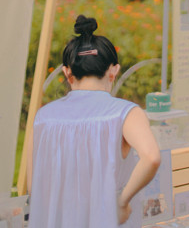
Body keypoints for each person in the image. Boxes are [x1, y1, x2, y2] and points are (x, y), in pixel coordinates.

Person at [27, 15, 161, 228]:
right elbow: (151, 157)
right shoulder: (125, 113)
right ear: (114, 70)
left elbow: (34, 187)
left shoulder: (43, 117)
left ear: (67, 72)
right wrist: (122, 202)